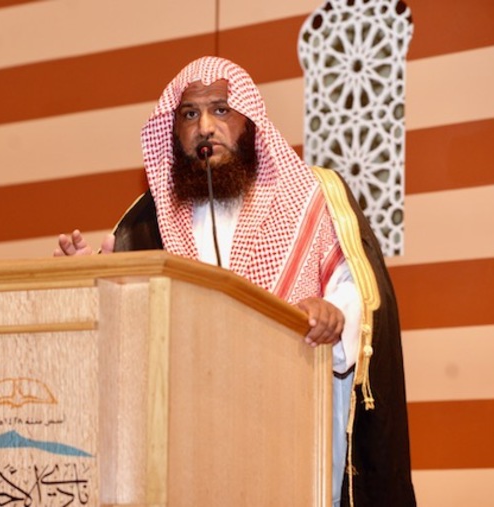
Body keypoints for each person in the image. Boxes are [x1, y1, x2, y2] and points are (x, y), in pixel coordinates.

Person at [55, 56, 415, 506]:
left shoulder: (312, 196)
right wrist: (88, 283)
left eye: (221, 110)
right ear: (174, 131)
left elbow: (356, 282)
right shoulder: (146, 222)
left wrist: (335, 312)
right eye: (190, 114)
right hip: (186, 442)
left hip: (289, 429)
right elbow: (126, 338)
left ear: (249, 121)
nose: (205, 127)